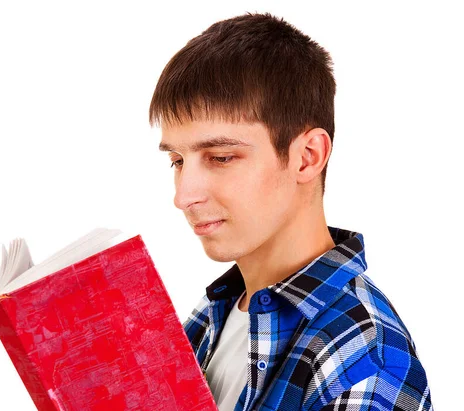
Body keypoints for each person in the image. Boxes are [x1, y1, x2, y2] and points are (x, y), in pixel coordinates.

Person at [149, 12, 432, 411]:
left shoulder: (363, 360)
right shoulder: (216, 313)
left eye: (222, 157)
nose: (184, 196)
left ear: (306, 157)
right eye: (177, 161)